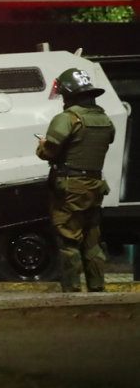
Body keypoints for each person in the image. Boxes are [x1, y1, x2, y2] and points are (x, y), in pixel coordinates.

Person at [37, 68, 115, 293]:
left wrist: (42, 145)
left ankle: (72, 291)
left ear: (69, 93)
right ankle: (97, 287)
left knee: (68, 240)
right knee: (92, 241)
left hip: (70, 188)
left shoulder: (67, 118)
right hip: (95, 185)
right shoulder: (104, 119)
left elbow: (48, 152)